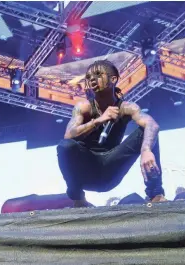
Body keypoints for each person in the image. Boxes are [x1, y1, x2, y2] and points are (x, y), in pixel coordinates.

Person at [57, 60, 167, 207]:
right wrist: (98, 121)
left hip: (110, 168)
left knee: (148, 132)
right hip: (87, 170)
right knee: (66, 146)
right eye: (89, 77)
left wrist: (146, 150)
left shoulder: (126, 107)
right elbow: (68, 136)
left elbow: (151, 124)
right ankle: (79, 198)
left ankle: (156, 194)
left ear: (113, 79)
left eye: (97, 74)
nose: (92, 80)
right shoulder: (84, 107)